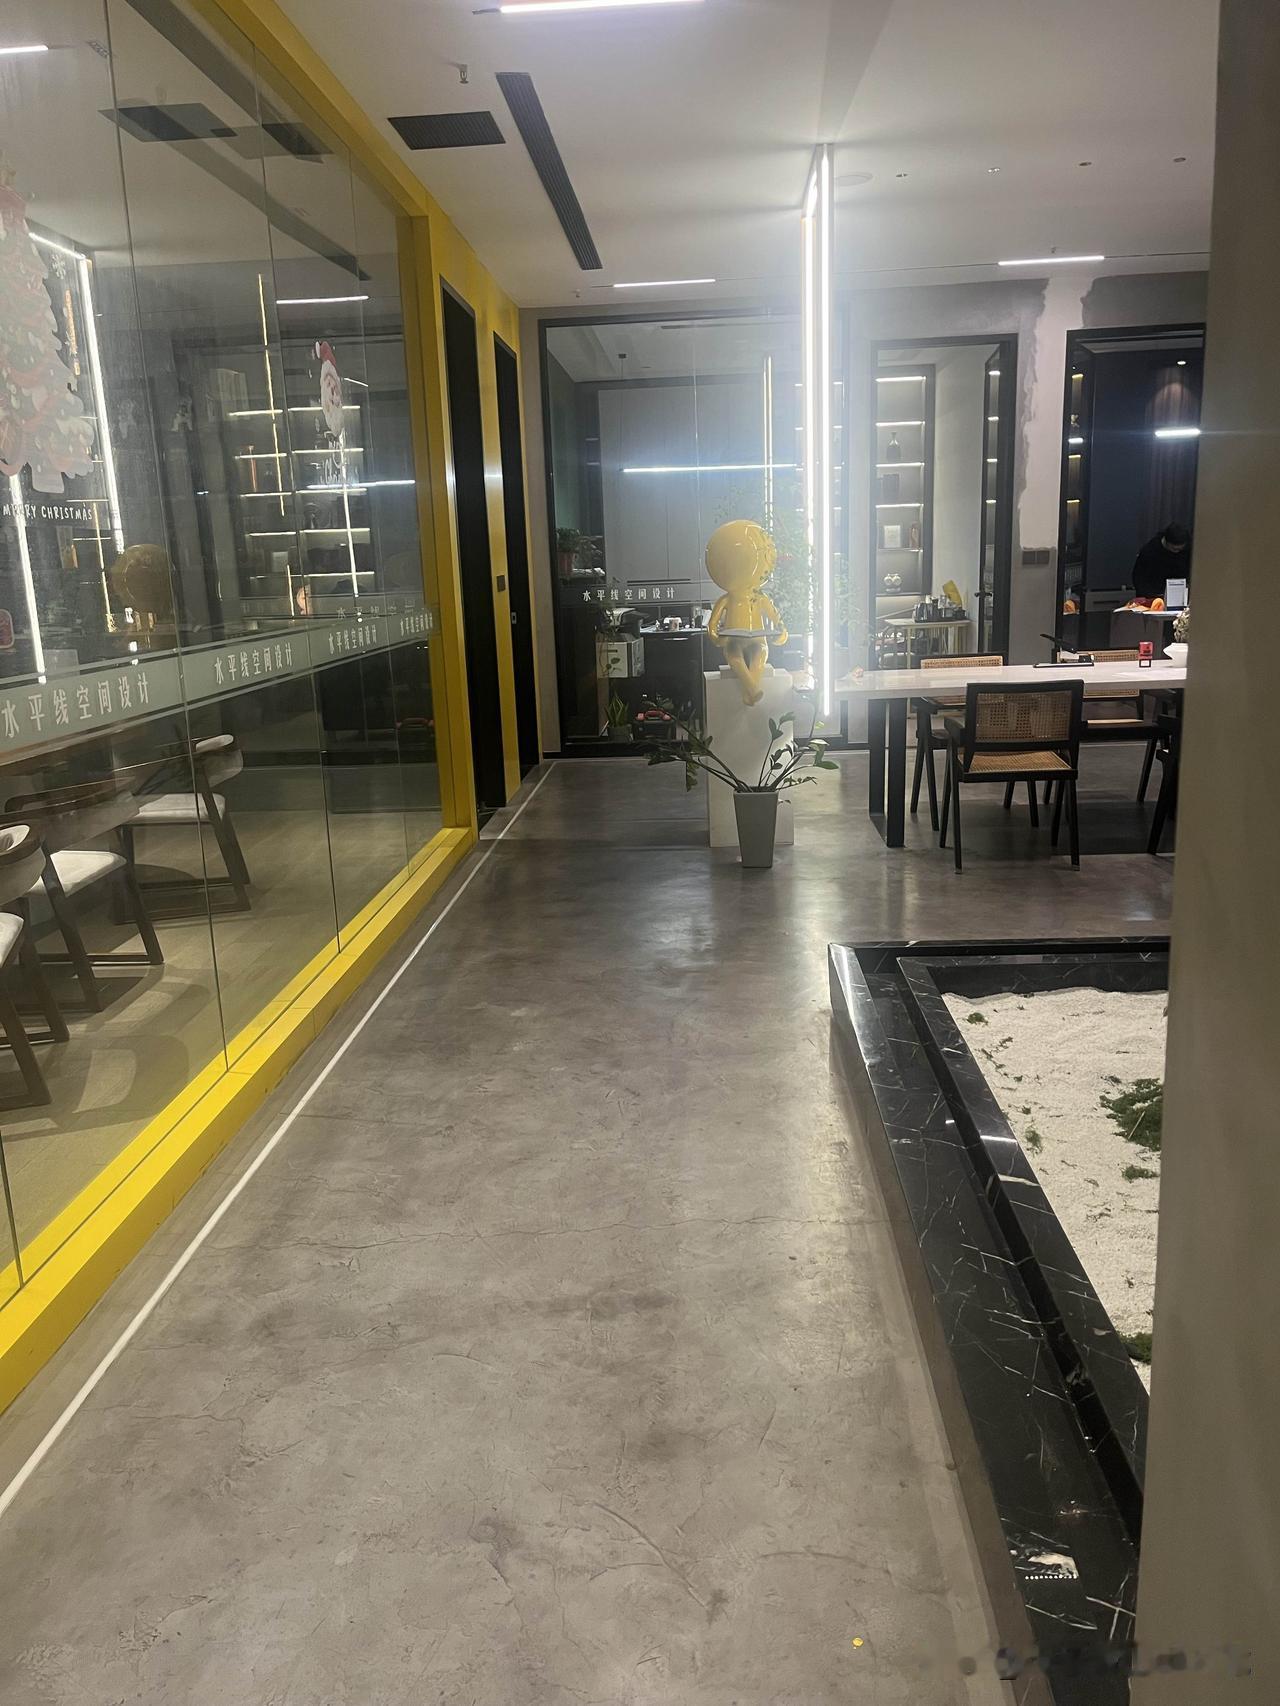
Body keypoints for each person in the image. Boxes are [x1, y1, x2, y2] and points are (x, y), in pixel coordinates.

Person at [1132, 522, 1191, 602]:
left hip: (1179, 590)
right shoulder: (1150, 551)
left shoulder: (1188, 549)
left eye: (1180, 549)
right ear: (1166, 541)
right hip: (1153, 592)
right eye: (1174, 549)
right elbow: (1139, 576)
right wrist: (1143, 595)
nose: (1177, 551)